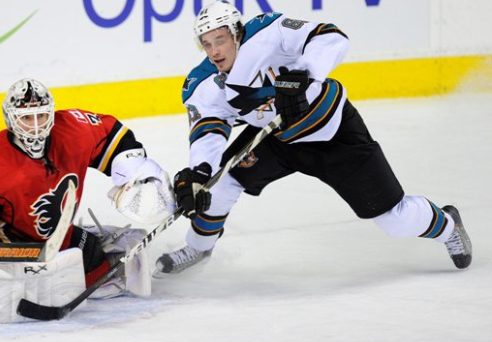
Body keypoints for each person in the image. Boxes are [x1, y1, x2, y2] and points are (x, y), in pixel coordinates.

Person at [153, 1, 472, 276]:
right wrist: (199, 172)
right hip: (276, 140)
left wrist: (305, 73)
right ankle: (198, 249)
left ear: (236, 32)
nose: (214, 51)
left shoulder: (269, 30)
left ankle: (447, 225)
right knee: (218, 184)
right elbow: (207, 132)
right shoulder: (203, 85)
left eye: (220, 39)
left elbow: (331, 37)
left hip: (333, 132)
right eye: (206, 44)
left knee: (394, 219)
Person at [0, 78, 175, 326]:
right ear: (11, 120)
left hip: (57, 238)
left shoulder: (72, 128)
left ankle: (99, 264)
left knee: (91, 254)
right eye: (26, 118)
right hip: (10, 245)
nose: (36, 126)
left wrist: (134, 169)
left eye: (41, 116)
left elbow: (113, 134)